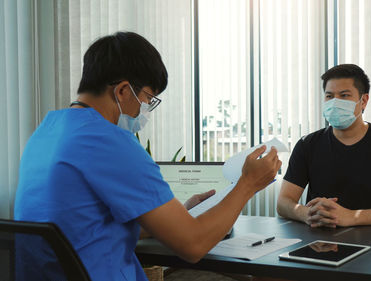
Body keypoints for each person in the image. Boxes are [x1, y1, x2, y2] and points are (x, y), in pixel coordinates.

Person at [14, 31, 281, 280]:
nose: (146, 110)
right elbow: (194, 246)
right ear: (122, 90)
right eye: (148, 99)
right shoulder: (112, 141)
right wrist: (248, 184)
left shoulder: (46, 131)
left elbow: (87, 228)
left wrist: (179, 214)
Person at [276, 64, 371, 228]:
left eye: (344, 95)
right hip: (319, 242)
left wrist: (351, 217)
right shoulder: (307, 144)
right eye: (329, 96)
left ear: (363, 100)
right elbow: (284, 202)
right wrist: (307, 214)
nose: (335, 102)